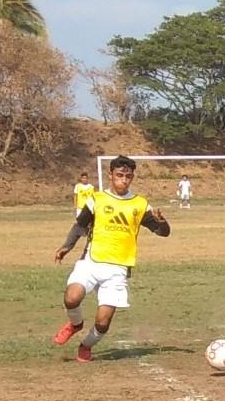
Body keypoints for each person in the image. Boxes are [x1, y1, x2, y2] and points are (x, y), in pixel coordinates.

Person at [53, 155, 171, 362]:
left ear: (132, 177)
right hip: (91, 261)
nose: (123, 180)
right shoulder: (96, 199)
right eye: (119, 175)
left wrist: (163, 223)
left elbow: (163, 233)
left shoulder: (140, 204)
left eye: (127, 176)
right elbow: (80, 226)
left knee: (102, 323)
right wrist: (66, 247)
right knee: (71, 298)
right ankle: (76, 324)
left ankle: (86, 345)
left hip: (118, 269)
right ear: (110, 175)